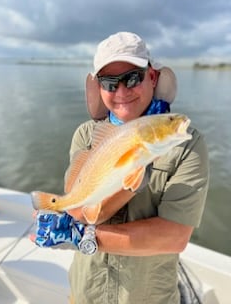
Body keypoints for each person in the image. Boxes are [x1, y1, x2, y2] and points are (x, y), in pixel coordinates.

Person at [32, 32, 209, 304]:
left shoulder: (187, 143)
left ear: (152, 77)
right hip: (86, 294)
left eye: (132, 78)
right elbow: (80, 210)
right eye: (109, 82)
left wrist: (83, 238)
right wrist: (133, 174)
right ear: (99, 87)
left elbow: (173, 237)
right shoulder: (86, 135)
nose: (122, 91)